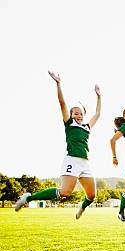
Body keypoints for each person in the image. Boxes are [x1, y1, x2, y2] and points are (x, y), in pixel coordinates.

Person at [15, 71, 101, 219]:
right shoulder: (69, 124)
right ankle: (28, 197)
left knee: (92, 195)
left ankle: (82, 206)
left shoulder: (86, 127)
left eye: (80, 113)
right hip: (72, 160)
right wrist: (58, 84)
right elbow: (62, 103)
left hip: (85, 163)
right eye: (75, 113)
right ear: (71, 115)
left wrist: (99, 96)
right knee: (65, 193)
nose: (78, 115)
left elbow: (97, 114)